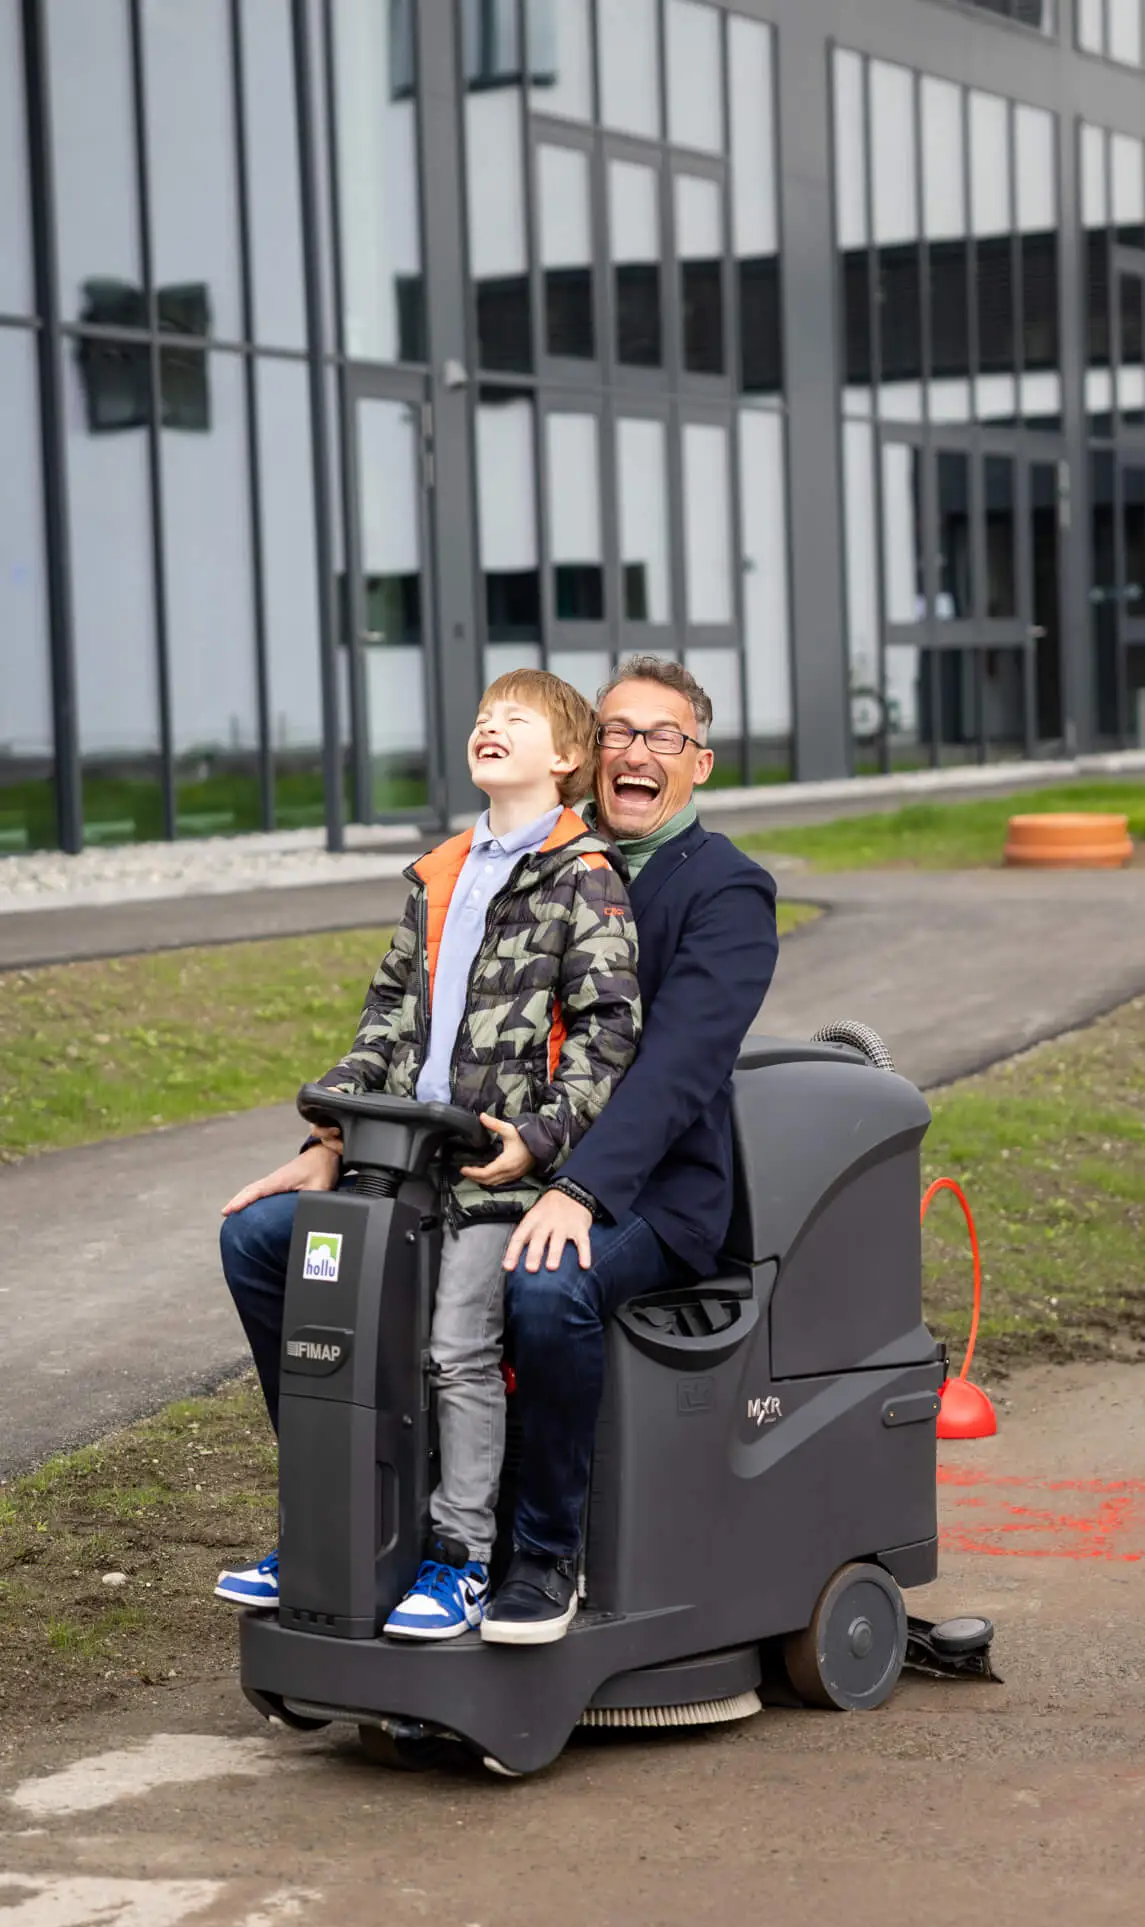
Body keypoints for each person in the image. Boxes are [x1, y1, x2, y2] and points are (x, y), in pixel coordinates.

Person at [214, 669, 640, 1643]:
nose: (489, 726)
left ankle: (459, 1557)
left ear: (565, 757)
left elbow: (610, 1034)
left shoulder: (585, 875)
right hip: (400, 1164)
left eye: (515, 720)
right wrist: (338, 1104)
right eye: (482, 715)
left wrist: (539, 1138)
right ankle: (339, 1529)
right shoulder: (441, 871)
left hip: (500, 1175)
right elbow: (388, 1012)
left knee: (455, 1351)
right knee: (351, 1337)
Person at [478, 656, 779, 1645]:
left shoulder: (728, 891)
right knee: (281, 1245)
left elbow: (677, 1069)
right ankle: (392, 1537)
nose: (634, 751)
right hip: (518, 1157)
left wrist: (581, 1191)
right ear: (585, 754)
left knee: (542, 1284)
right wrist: (331, 1139)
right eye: (616, 731)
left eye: (662, 736)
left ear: (700, 763)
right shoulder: (541, 862)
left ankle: (543, 1555)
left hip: (653, 1193)